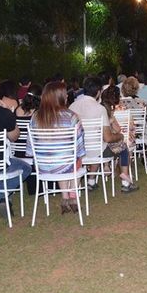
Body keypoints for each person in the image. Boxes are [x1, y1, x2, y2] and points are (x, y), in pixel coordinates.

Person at [26, 81, 85, 214]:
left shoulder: (35, 116)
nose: (67, 97)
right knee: (74, 159)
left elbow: (30, 149)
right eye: (65, 94)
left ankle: (65, 198)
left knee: (61, 158)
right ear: (60, 97)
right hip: (65, 164)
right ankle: (73, 197)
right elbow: (80, 148)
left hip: (42, 167)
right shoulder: (71, 116)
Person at [0, 74, 31, 220]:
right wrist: (9, 113)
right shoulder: (2, 113)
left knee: (4, 165)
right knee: (25, 167)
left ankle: (1, 198)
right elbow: (14, 136)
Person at [69, 76, 124, 191]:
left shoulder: (72, 106)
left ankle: (91, 180)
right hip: (95, 150)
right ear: (99, 92)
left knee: (95, 144)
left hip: (76, 152)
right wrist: (120, 136)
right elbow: (108, 138)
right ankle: (126, 182)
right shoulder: (100, 109)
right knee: (122, 148)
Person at [100, 86, 138, 192]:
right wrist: (112, 122)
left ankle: (105, 166)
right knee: (123, 147)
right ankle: (125, 181)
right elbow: (118, 129)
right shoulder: (110, 111)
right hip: (106, 145)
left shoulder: (98, 108)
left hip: (91, 146)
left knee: (118, 143)